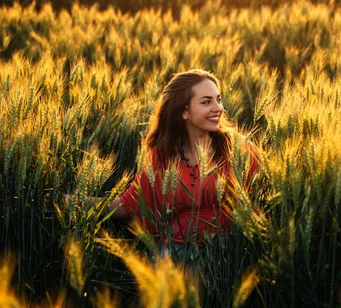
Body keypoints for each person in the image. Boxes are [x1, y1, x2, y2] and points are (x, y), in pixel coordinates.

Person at [76, 69, 261, 266]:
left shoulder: (238, 150)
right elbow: (129, 204)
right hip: (177, 250)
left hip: (232, 253)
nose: (218, 108)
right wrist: (71, 202)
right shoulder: (161, 157)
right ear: (184, 111)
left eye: (218, 99)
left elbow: (260, 201)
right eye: (206, 102)